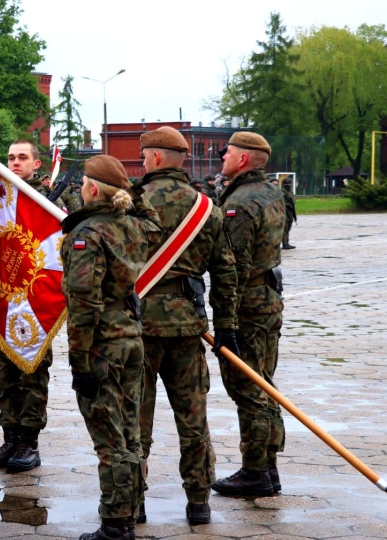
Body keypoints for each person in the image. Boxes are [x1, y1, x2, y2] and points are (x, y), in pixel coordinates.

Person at [132, 127, 238, 525]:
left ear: (156, 159)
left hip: (137, 329)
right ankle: (198, 503)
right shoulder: (206, 208)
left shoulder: (132, 204)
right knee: (194, 422)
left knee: (133, 424)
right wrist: (225, 328)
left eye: (144, 157)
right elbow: (226, 271)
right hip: (187, 329)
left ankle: (132, 503)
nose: (142, 163)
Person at [63, 155, 157, 540]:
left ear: (90, 189)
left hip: (102, 345)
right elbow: (155, 223)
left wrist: (79, 361)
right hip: (132, 339)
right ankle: (131, 510)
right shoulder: (136, 228)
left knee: (111, 440)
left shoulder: (88, 235)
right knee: (131, 434)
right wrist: (128, 188)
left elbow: (84, 303)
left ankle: (116, 525)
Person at [213, 132, 287, 497]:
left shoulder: (239, 203)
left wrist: (224, 321)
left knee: (248, 388)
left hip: (248, 307)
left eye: (227, 152)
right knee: (264, 383)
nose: (222, 156)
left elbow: (234, 267)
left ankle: (256, 470)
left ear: (242, 159)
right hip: (269, 298)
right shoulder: (273, 192)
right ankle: (268, 466)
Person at [0, 140, 53, 474]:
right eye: (10, 158)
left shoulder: (47, 203)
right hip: (4, 300)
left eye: (23, 158)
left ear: (37, 164)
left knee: (32, 375)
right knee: (5, 375)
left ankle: (29, 442)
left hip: (34, 303)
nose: (15, 162)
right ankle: (10, 437)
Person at [281, 179, 297, 249]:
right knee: (285, 229)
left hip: (291, 212)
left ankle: (287, 243)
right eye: (286, 183)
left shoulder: (291, 192)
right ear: (283, 184)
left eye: (289, 183)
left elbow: (293, 203)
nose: (288, 185)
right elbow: (280, 202)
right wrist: (287, 204)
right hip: (285, 212)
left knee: (288, 229)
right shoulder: (282, 192)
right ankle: (284, 244)